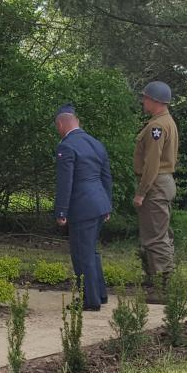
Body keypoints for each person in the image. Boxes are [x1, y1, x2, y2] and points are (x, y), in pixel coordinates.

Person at [53, 104, 111, 311]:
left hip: (82, 207)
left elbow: (65, 182)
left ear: (61, 123)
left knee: (81, 254)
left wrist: (61, 211)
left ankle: (90, 300)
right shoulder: (96, 143)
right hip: (98, 204)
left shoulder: (66, 146)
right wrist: (107, 206)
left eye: (57, 127)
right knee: (91, 252)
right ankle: (100, 294)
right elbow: (106, 177)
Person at [133, 81, 179, 301]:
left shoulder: (156, 127)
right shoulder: (166, 122)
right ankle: (160, 280)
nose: (143, 101)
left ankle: (163, 289)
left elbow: (152, 163)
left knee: (155, 237)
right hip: (163, 182)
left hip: (155, 184)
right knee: (160, 234)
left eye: (146, 98)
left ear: (155, 101)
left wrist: (141, 192)